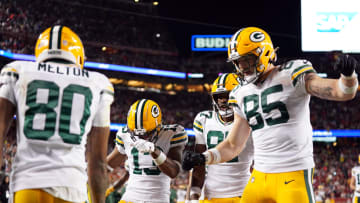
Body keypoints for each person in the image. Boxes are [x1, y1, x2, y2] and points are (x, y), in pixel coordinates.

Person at [182, 26, 359, 203]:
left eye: (247, 60)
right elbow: (233, 144)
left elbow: (341, 92)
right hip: (259, 176)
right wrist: (203, 157)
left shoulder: (292, 73)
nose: (242, 67)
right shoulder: (240, 93)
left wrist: (348, 76)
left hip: (293, 174)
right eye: (238, 62)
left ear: (264, 53)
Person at [0, 25, 114, 203]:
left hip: (28, 186)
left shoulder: (19, 70)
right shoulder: (98, 83)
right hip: (72, 189)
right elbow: (98, 164)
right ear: (78, 56)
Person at [186, 73, 253, 202]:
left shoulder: (250, 120)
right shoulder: (204, 120)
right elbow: (199, 166)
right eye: (219, 97)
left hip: (244, 194)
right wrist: (193, 197)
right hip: (211, 195)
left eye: (226, 96)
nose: (222, 101)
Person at [106, 99, 187, 203]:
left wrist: (154, 151)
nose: (141, 136)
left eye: (145, 133)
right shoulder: (124, 134)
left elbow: (174, 172)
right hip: (129, 198)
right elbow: (107, 166)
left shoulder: (172, 134)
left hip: (157, 200)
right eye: (136, 133)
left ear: (158, 126)